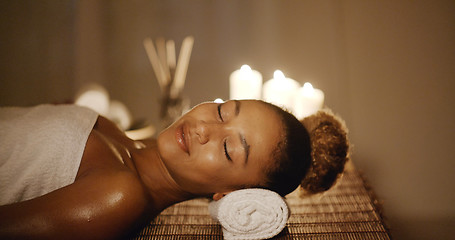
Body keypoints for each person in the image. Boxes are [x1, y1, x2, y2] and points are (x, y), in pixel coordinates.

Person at [0, 99, 349, 239]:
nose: (203, 129)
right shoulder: (119, 135)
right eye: (222, 111)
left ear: (229, 194)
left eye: (228, 149)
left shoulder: (118, 196)